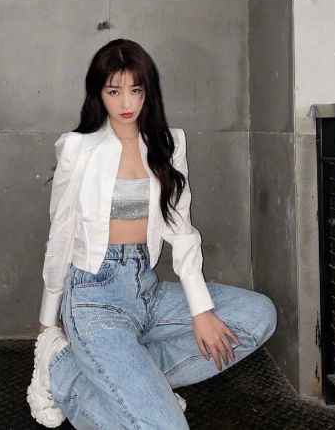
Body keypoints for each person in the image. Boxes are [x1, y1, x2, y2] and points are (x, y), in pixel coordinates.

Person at [27, 38, 277, 429]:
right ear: (99, 93)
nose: (126, 102)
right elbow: (60, 234)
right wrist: (47, 324)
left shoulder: (167, 145)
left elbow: (181, 230)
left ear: (148, 92)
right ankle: (60, 369)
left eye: (136, 90)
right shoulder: (79, 148)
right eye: (114, 91)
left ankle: (137, 381)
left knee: (258, 315)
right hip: (94, 299)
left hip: (147, 290)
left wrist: (201, 310)